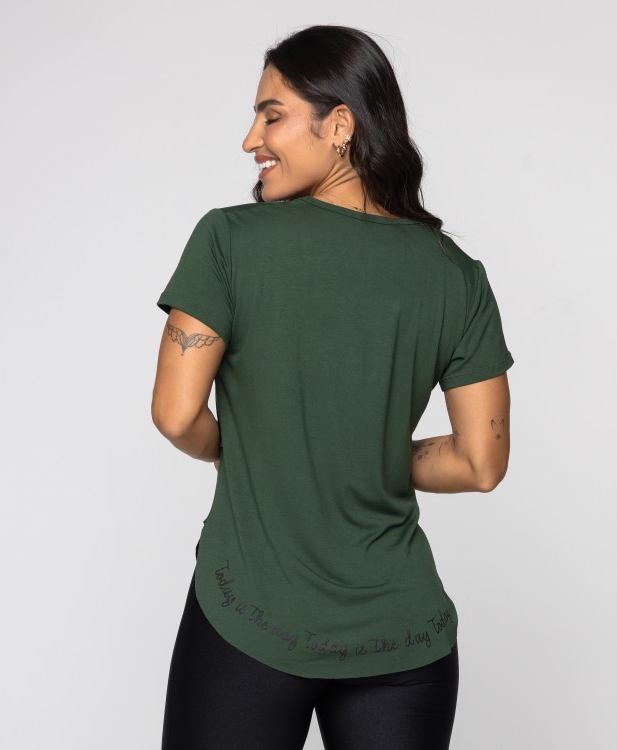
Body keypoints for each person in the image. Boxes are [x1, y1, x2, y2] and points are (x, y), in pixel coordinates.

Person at [151, 24, 513, 750]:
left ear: (340, 125)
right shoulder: (456, 276)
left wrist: (248, 449)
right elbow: (481, 463)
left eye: (272, 116)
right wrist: (365, 451)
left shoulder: (230, 240)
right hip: (403, 639)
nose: (251, 140)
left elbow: (176, 414)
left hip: (250, 614)